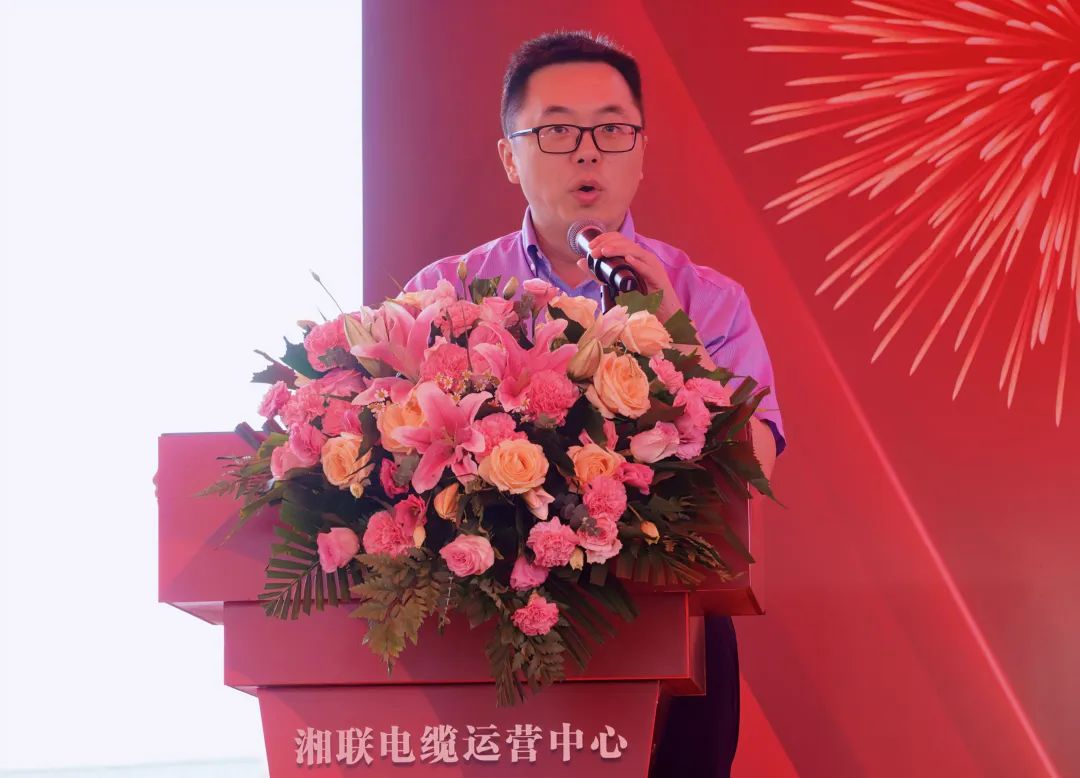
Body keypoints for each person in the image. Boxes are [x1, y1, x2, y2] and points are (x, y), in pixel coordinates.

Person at [402, 30, 786, 777]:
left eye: (612, 130)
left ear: (641, 154)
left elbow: (755, 468)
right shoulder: (444, 296)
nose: (587, 153)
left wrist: (674, 336)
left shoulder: (709, 300)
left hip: (670, 624)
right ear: (509, 156)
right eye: (556, 131)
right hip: (481, 626)